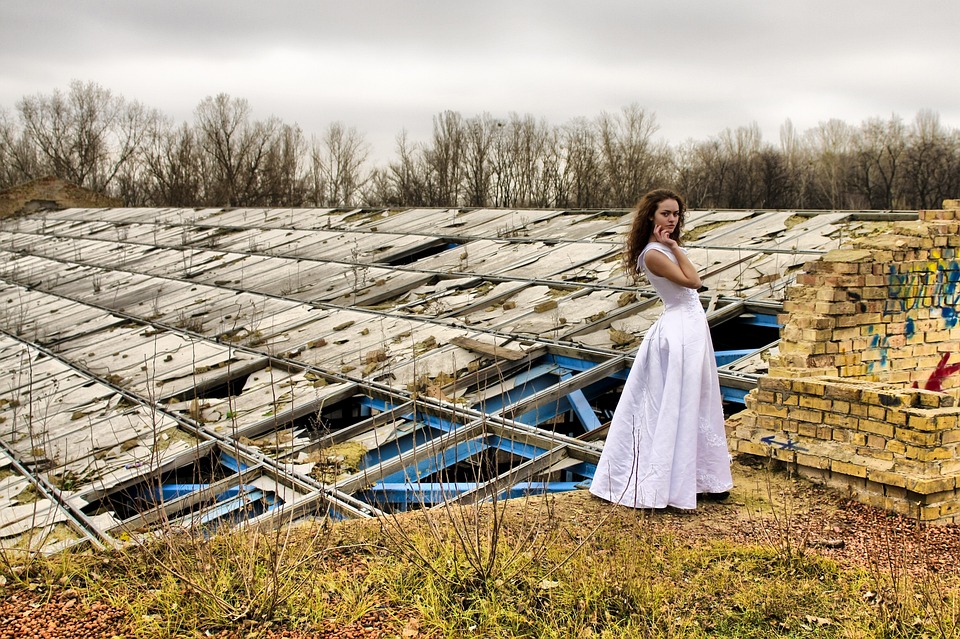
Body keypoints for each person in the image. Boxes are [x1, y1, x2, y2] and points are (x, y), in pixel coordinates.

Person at [589, 188, 733, 509]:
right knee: (676, 403)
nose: (671, 218)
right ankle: (664, 485)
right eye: (665, 213)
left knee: (697, 400)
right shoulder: (654, 253)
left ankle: (704, 479)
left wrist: (674, 246)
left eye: (676, 213)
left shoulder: (664, 249)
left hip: (691, 329)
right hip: (679, 331)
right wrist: (674, 246)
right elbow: (694, 281)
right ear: (651, 216)